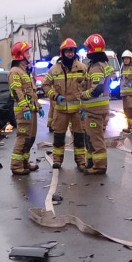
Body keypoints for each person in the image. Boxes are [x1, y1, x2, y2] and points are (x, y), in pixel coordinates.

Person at [42, 38, 88, 169]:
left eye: (72, 51)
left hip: (78, 111)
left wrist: (85, 107)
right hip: (61, 110)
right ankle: (57, 160)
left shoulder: (82, 68)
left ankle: (80, 161)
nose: (70, 53)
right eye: (67, 51)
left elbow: (87, 87)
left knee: (79, 137)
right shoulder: (54, 70)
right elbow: (45, 85)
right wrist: (55, 96)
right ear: (62, 53)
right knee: (58, 137)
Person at [79, 33, 113, 174]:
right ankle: (91, 163)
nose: (86, 51)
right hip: (94, 109)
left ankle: (99, 166)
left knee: (96, 138)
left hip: (95, 110)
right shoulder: (99, 64)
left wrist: (83, 95)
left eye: (87, 49)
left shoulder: (96, 67)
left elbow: (97, 88)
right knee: (90, 137)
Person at [8, 41, 42, 175]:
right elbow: (17, 92)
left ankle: (25, 163)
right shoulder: (15, 72)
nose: (29, 55)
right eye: (27, 52)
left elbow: (31, 93)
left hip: (31, 110)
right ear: (20, 55)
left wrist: (38, 107)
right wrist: (25, 108)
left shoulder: (24, 72)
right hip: (23, 112)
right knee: (22, 137)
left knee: (30, 138)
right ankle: (16, 166)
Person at [119, 50, 132, 133]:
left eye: (127, 59)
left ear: (130, 59)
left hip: (131, 93)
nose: (125, 60)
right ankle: (129, 125)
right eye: (124, 59)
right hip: (124, 93)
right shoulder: (123, 68)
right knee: (126, 110)